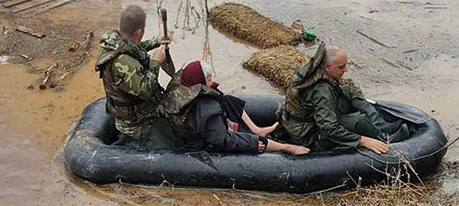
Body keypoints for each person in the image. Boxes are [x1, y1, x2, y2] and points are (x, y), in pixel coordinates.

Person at [279, 42, 409, 154]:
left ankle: (382, 127)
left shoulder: (318, 71)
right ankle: (385, 140)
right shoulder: (321, 90)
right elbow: (329, 128)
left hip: (313, 120)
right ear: (327, 67)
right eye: (341, 67)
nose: (345, 70)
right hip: (310, 137)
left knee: (348, 91)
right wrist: (362, 140)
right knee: (357, 120)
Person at [163, 60, 310, 155]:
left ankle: (258, 130)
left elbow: (212, 93)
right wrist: (251, 144)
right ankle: (286, 148)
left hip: (200, 128)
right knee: (253, 141)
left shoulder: (186, 85)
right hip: (202, 142)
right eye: (208, 79)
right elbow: (222, 139)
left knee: (227, 100)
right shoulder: (205, 109)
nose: (211, 81)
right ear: (200, 80)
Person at [95, 5, 178, 149]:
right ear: (140, 32)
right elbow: (145, 91)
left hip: (132, 111)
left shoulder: (116, 43)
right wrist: (155, 63)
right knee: (177, 141)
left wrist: (154, 42)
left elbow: (133, 50)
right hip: (136, 123)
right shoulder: (122, 63)